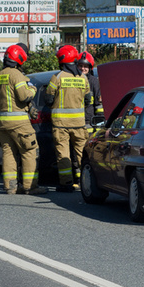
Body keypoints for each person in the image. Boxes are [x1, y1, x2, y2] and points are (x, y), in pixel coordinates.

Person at [0, 43, 47, 195]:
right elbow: (24, 96)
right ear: (19, 60)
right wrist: (33, 89)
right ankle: (30, 187)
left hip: (2, 122)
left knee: (8, 153)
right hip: (19, 122)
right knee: (30, 151)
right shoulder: (17, 75)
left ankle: (10, 187)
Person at [44, 46, 92, 192]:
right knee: (82, 154)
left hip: (60, 125)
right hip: (79, 124)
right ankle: (86, 182)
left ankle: (66, 183)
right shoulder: (83, 78)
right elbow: (88, 99)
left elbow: (48, 99)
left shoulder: (57, 77)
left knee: (63, 155)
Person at [77, 51, 103, 130]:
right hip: (75, 122)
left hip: (89, 123)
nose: (83, 68)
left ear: (90, 68)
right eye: (80, 66)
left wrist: (99, 125)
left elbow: (99, 105)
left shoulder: (94, 82)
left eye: (85, 66)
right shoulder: (73, 80)